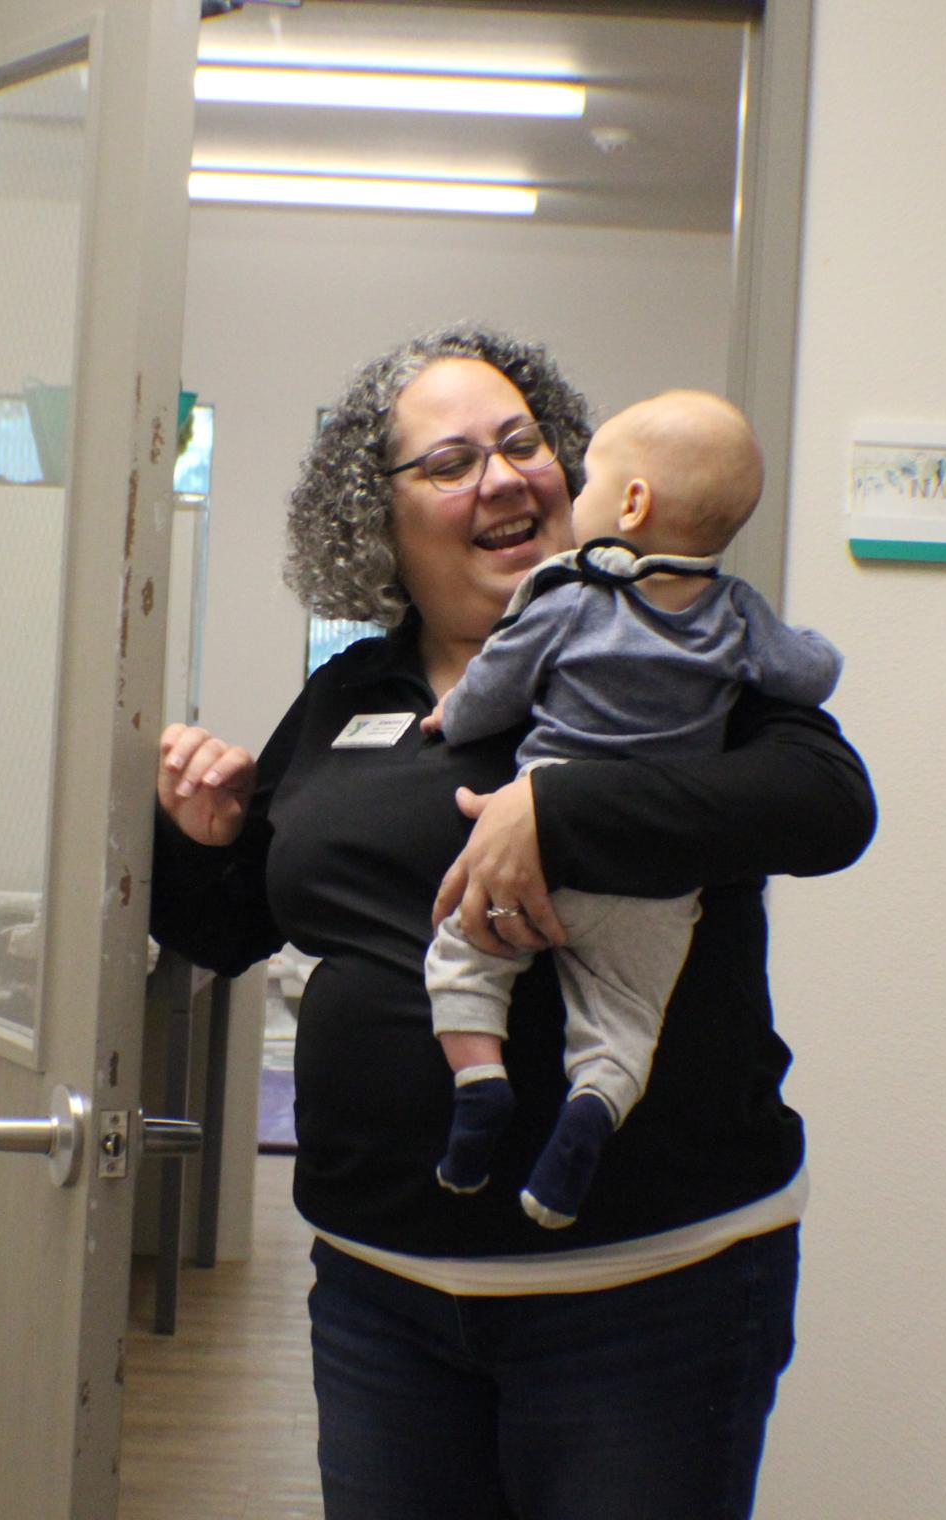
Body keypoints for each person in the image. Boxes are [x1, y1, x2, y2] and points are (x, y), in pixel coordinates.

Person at [151, 324, 874, 1520]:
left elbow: (826, 805)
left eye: (522, 443)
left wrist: (566, 806)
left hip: (648, 1292)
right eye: (448, 463)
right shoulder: (352, 692)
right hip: (382, 1292)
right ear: (377, 520)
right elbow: (235, 931)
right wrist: (207, 835)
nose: (501, 477)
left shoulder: (673, 642)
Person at [420, 391, 842, 1230]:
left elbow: (495, 687)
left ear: (633, 504)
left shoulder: (570, 596)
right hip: (654, 891)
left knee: (464, 963)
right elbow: (808, 673)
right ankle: (588, 1120)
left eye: (584, 481)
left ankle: (480, 1087)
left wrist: (453, 719)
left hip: (552, 862)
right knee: (625, 1023)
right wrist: (822, 647)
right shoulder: (736, 613)